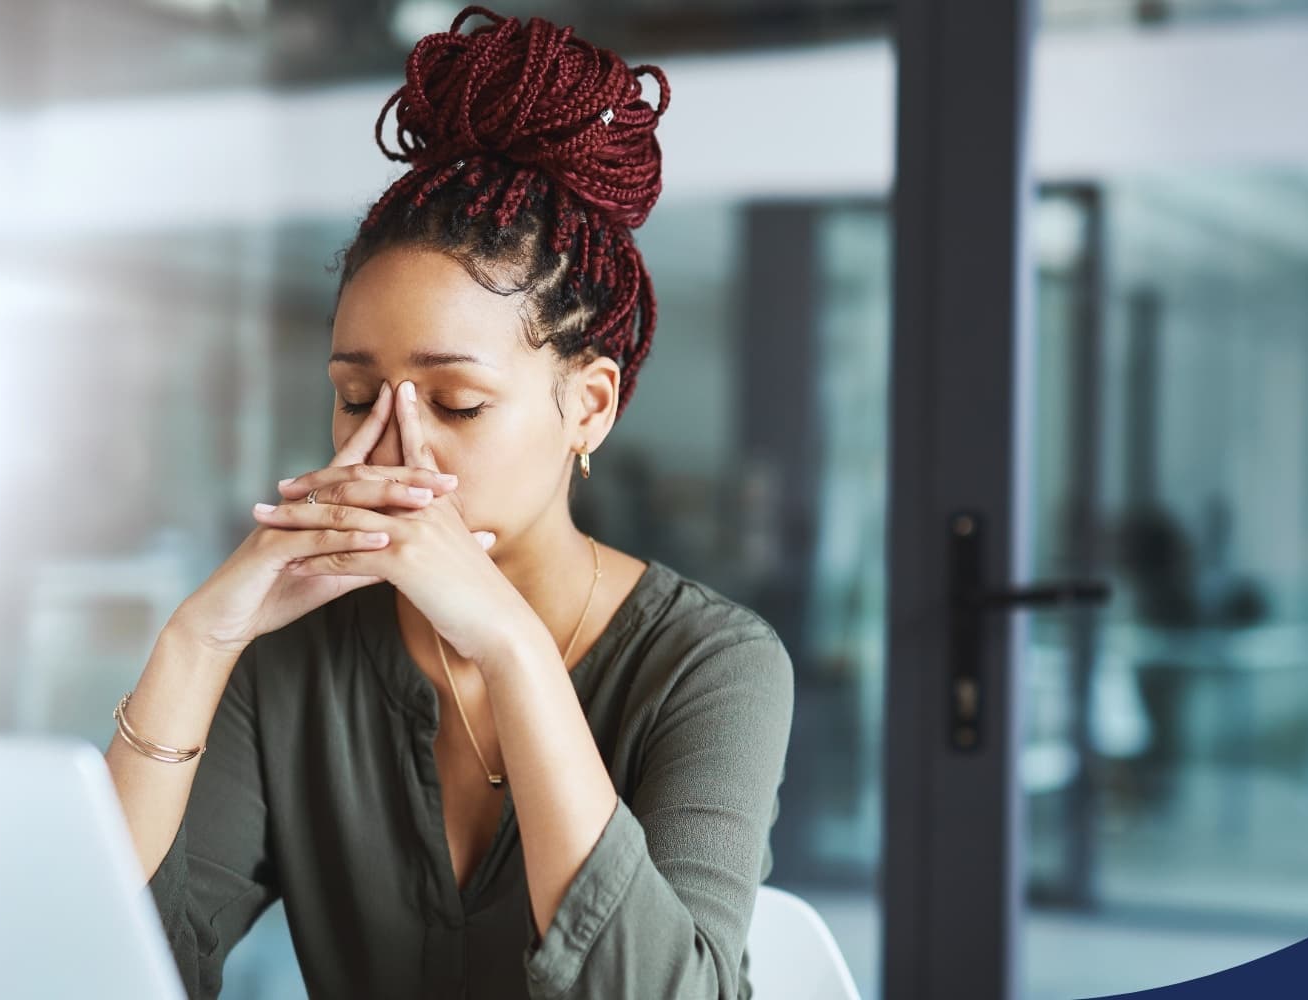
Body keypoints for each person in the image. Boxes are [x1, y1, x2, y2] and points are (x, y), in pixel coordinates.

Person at [101, 7, 795, 998]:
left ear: (587, 405)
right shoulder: (294, 655)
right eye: (353, 397)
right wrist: (195, 644)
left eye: (457, 402)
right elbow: (114, 960)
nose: (390, 444)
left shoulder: (712, 667)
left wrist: (510, 647)